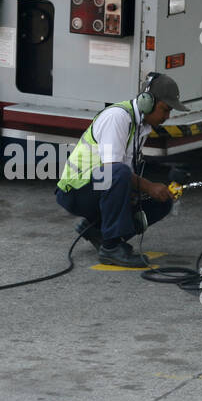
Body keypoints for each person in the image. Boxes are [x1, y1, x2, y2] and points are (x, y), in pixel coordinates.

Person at [55, 72, 189, 267]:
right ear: (147, 102)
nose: (167, 117)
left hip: (99, 187)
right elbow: (112, 170)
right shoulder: (117, 118)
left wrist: (149, 192)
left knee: (161, 202)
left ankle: (97, 230)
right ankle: (111, 248)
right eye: (165, 109)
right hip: (76, 191)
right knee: (119, 174)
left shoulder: (141, 126)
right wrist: (149, 186)